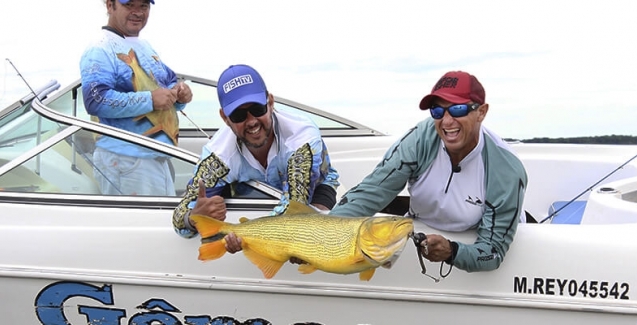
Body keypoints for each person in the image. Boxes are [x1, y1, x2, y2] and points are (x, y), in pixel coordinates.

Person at [330, 71, 527, 273]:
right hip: (421, 226)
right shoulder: (420, 139)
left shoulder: (506, 171)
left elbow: (492, 252)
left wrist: (452, 251)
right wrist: (325, 233)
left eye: (458, 109)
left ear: (482, 112)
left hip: (479, 241)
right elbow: (371, 192)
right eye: (437, 111)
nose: (447, 122)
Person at [173, 64, 340, 247]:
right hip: (253, 197)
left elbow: (295, 209)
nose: (252, 121)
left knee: (310, 229)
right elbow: (179, 217)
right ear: (224, 118)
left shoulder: (302, 138)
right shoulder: (218, 156)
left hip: (313, 194)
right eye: (238, 115)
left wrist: (241, 235)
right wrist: (194, 217)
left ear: (270, 102)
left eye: (258, 109)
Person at [79, 0, 193, 196]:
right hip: (125, 160)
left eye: (143, 6)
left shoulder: (144, 46)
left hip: (155, 158)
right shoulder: (99, 48)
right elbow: (95, 100)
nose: (137, 12)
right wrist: (149, 99)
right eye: (129, 5)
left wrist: (181, 94)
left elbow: (168, 85)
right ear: (109, 5)